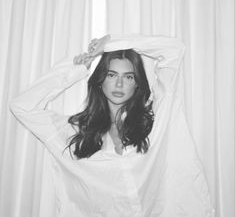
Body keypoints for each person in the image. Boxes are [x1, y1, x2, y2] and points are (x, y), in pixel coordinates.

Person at [9, 35, 215, 217]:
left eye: (128, 77)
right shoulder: (73, 133)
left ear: (137, 84)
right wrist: (75, 70)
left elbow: (174, 49)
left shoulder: (157, 119)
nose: (119, 84)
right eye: (111, 75)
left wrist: (112, 44)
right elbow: (21, 107)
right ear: (99, 80)